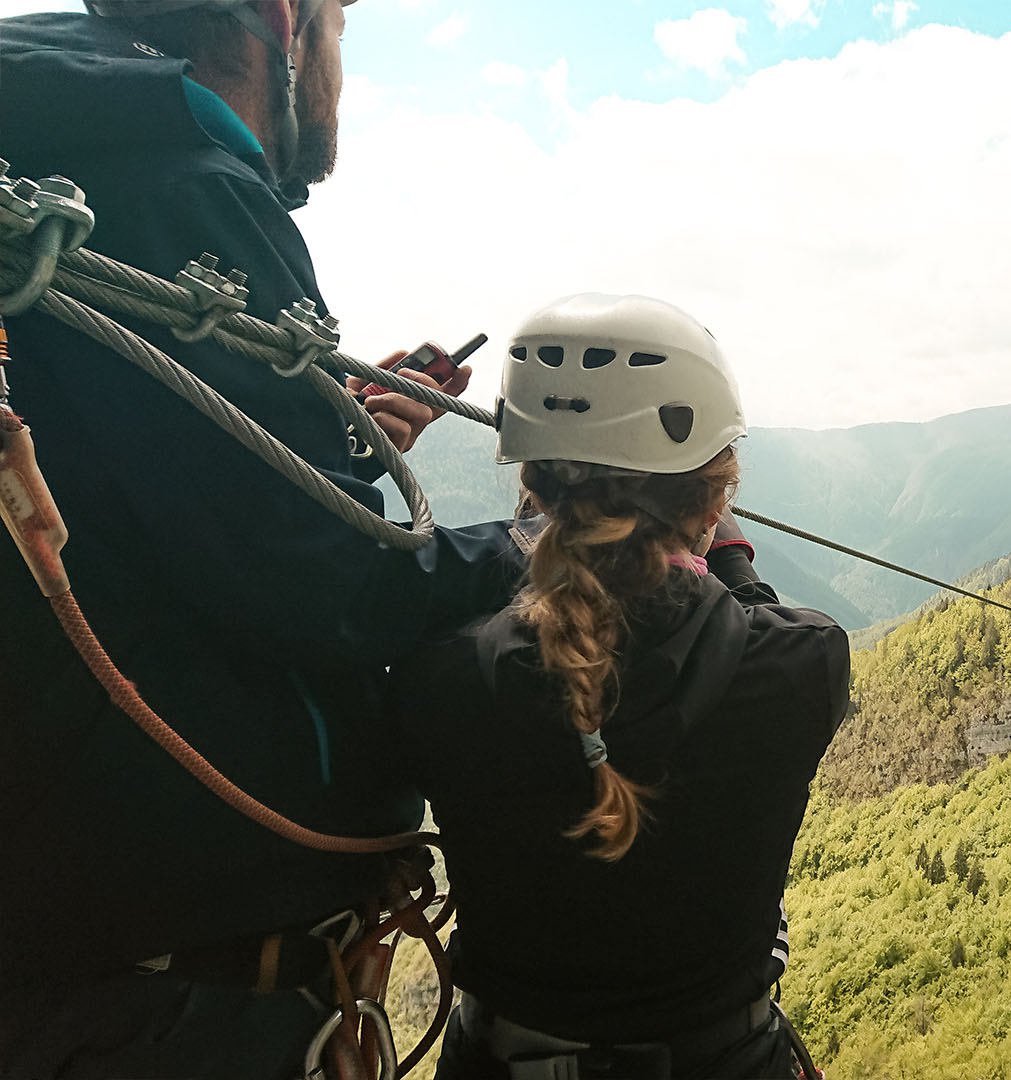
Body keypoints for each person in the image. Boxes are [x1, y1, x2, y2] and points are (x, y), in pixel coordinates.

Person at [0, 2, 526, 1076]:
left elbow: (153, 505)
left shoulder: (64, 153)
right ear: (284, 22)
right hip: (179, 997)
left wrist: (337, 441)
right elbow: (329, 587)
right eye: (340, 26)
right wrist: (541, 542)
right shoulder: (179, 184)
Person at [386, 293, 850, 1080]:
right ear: (712, 494)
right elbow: (734, 621)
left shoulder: (439, 679)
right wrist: (729, 556)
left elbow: (538, 622)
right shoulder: (804, 667)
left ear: (531, 482)